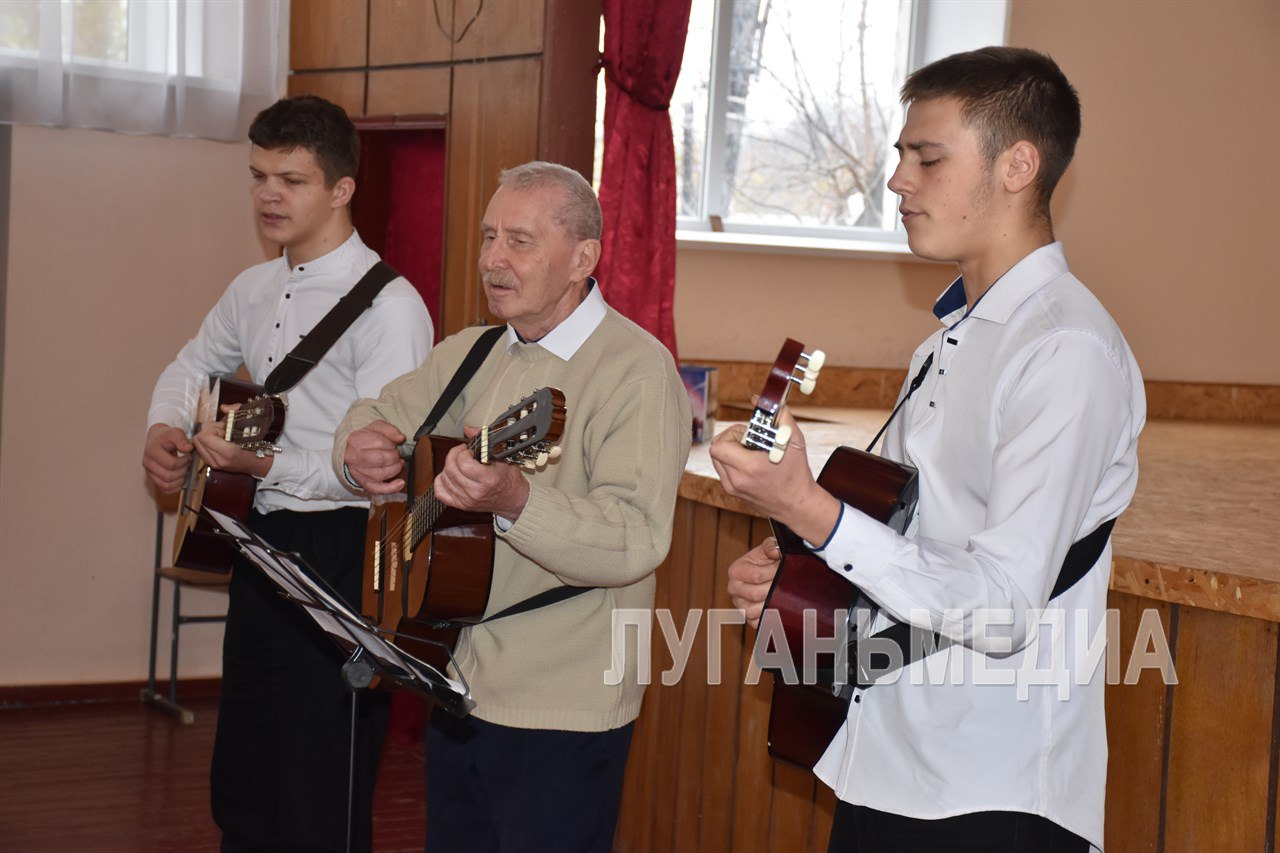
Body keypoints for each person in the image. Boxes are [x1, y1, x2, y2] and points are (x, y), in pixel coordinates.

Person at [711, 47, 1145, 853]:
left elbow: (1004, 605)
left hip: (993, 786)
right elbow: (916, 539)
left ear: (1019, 165)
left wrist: (809, 507)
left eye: (928, 158)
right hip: (886, 750)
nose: (898, 180)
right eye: (902, 156)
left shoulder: (1066, 351)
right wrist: (805, 567)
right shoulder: (946, 342)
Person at [334, 161, 692, 853]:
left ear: (582, 258)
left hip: (564, 702)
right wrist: (358, 447)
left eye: (519, 240)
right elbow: (376, 411)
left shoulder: (636, 370)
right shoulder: (473, 352)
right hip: (458, 674)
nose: (492, 258)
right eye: (488, 235)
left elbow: (635, 537)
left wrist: (518, 499)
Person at [142, 95, 434, 852]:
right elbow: (190, 362)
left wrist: (263, 464)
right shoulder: (253, 287)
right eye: (260, 176)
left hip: (345, 555)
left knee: (320, 782)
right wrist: (165, 426)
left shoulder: (391, 309)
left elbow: (384, 475)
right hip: (258, 539)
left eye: (293, 180)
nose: (269, 195)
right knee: (246, 769)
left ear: (342, 189)